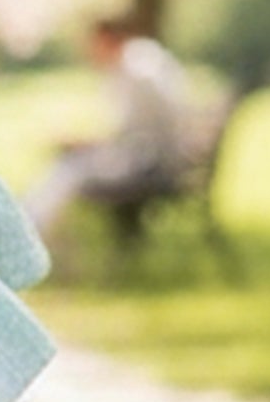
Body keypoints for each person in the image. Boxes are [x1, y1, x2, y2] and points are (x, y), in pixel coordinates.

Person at [19, 14, 194, 240]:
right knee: (71, 164)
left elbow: (131, 134)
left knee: (69, 167)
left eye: (94, 44)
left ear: (108, 39)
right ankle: (29, 225)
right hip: (156, 156)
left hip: (150, 164)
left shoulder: (136, 69)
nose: (90, 53)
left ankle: (28, 228)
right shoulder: (143, 59)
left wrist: (87, 143)